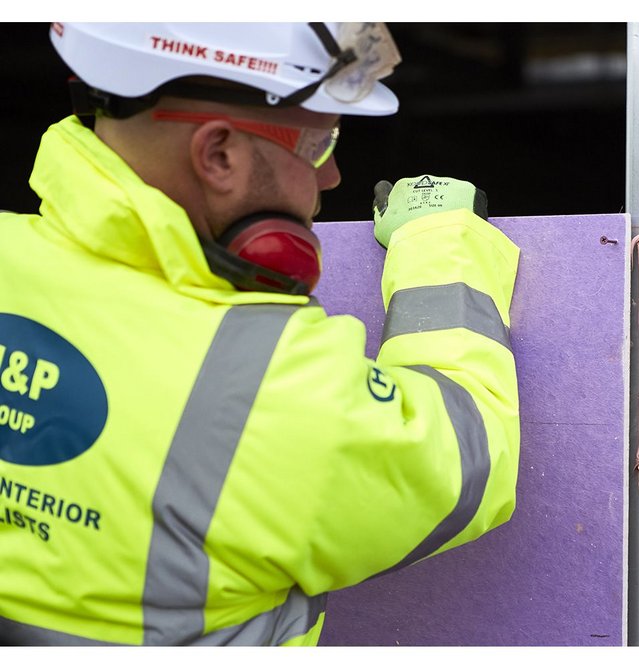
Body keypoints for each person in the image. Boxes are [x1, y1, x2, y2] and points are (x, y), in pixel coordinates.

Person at [0, 23, 520, 646]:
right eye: (320, 143)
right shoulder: (272, 386)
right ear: (218, 154)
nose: (331, 178)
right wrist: (441, 243)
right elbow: (469, 458)